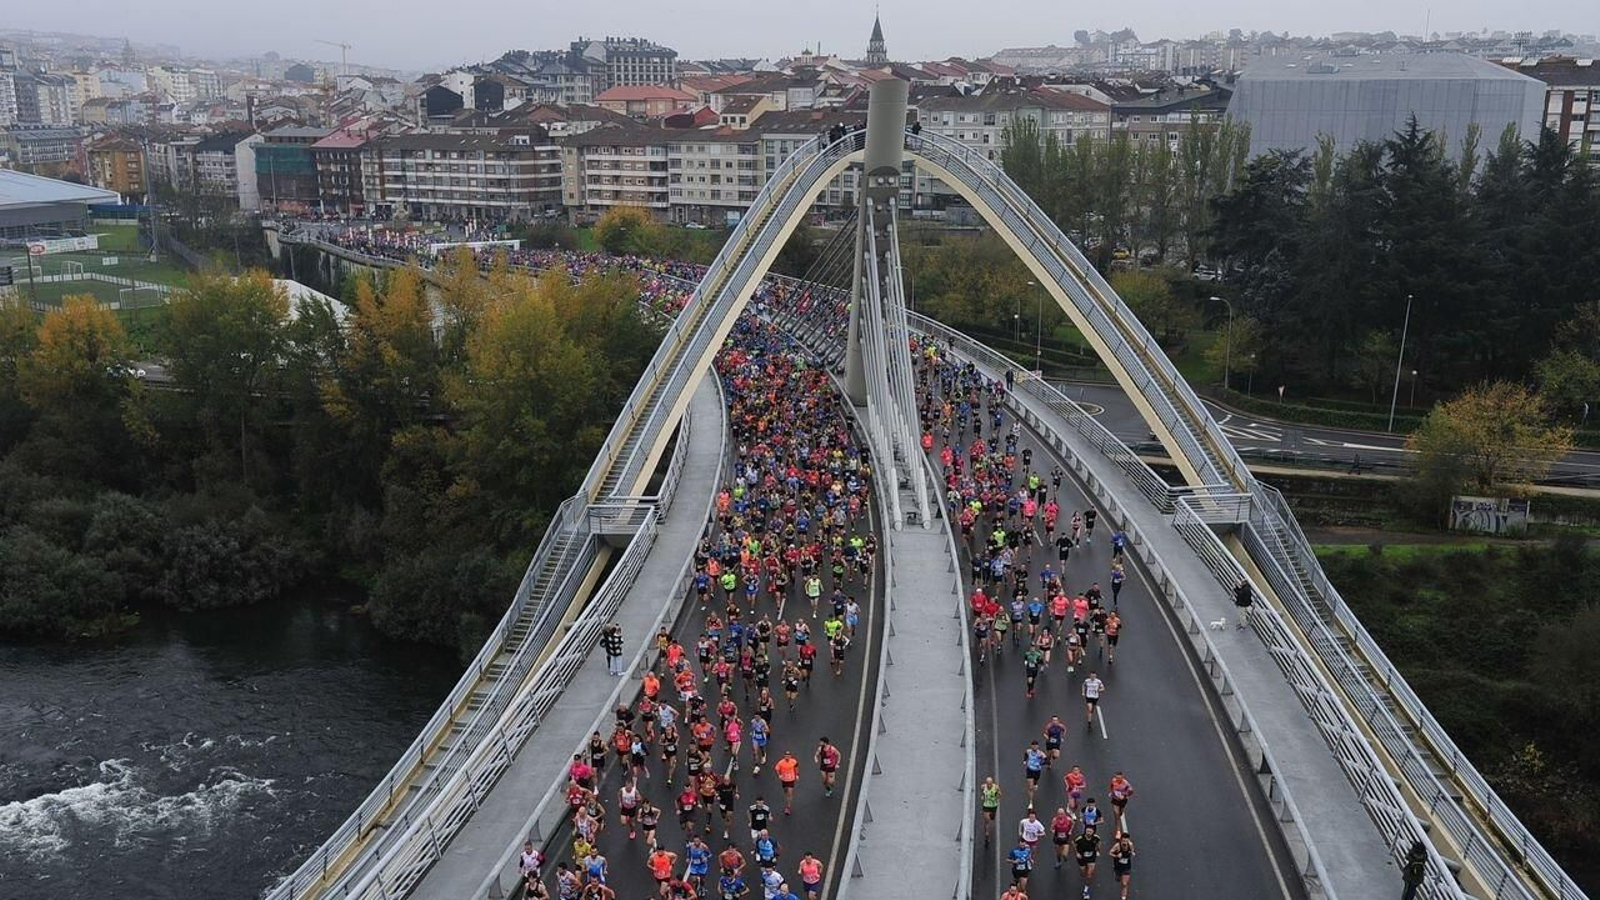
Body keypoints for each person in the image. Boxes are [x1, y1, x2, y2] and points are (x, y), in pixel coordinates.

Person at [1074, 825, 1102, 898]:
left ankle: (1086, 889)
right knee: (1083, 873)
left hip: (1091, 857)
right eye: (1087, 831)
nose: (1089, 832)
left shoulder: (1096, 838)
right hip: (1082, 857)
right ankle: (1085, 873)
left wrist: (1098, 850)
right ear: (1085, 831)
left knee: (1089, 874)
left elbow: (1099, 843)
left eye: (1090, 831)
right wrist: (1077, 853)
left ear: (1093, 832)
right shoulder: (1080, 838)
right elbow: (1074, 844)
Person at [1109, 831, 1135, 900]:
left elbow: (1132, 850)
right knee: (1118, 879)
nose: (1124, 842)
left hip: (1127, 866)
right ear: (1121, 840)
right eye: (1123, 841)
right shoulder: (1117, 846)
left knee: (1124, 883)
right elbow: (1110, 853)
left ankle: (1123, 897)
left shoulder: (1130, 844)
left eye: (1126, 841)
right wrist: (1116, 856)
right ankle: (1117, 875)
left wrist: (1132, 853)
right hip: (1118, 866)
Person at [980, 776, 1002, 844]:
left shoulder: (996, 787)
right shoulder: (983, 787)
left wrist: (997, 797)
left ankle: (988, 830)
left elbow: (1000, 794)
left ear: (992, 783)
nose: (989, 785)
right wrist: (983, 796)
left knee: (992, 820)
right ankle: (987, 834)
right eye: (988, 784)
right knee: (987, 820)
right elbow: (982, 793)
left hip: (993, 806)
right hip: (986, 806)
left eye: (990, 784)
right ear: (986, 783)